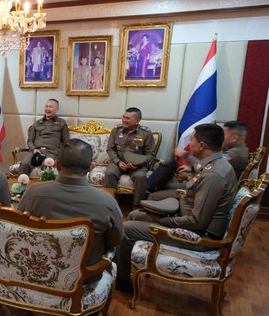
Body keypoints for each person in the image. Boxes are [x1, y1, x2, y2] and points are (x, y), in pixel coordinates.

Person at [114, 124, 238, 291]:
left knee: (127, 228)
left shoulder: (213, 176)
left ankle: (122, 282)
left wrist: (163, 221)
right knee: (135, 215)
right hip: (190, 224)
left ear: (202, 145)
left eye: (192, 140)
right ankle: (129, 268)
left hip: (199, 237)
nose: (189, 144)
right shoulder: (215, 164)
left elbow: (197, 221)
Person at [18, 139, 123, 281]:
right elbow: (115, 241)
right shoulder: (108, 202)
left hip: (38, 275)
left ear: (57, 165)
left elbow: (19, 227)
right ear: (91, 167)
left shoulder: (33, 193)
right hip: (84, 278)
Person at [104, 107, 156, 207]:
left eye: (128, 118)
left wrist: (137, 164)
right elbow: (110, 149)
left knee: (140, 177)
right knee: (109, 173)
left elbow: (150, 154)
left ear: (137, 120)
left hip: (137, 165)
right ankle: (111, 205)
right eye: (123, 117)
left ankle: (137, 208)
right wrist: (118, 162)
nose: (124, 120)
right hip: (119, 162)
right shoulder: (116, 130)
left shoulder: (145, 133)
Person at [18, 98, 70, 176]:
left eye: (51, 107)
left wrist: (60, 154)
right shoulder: (37, 123)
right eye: (46, 106)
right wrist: (34, 149)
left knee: (46, 165)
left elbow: (66, 142)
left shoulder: (61, 122)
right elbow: (30, 140)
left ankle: (45, 184)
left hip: (52, 152)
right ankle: (22, 183)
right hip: (36, 151)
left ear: (57, 109)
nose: (48, 109)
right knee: (24, 164)